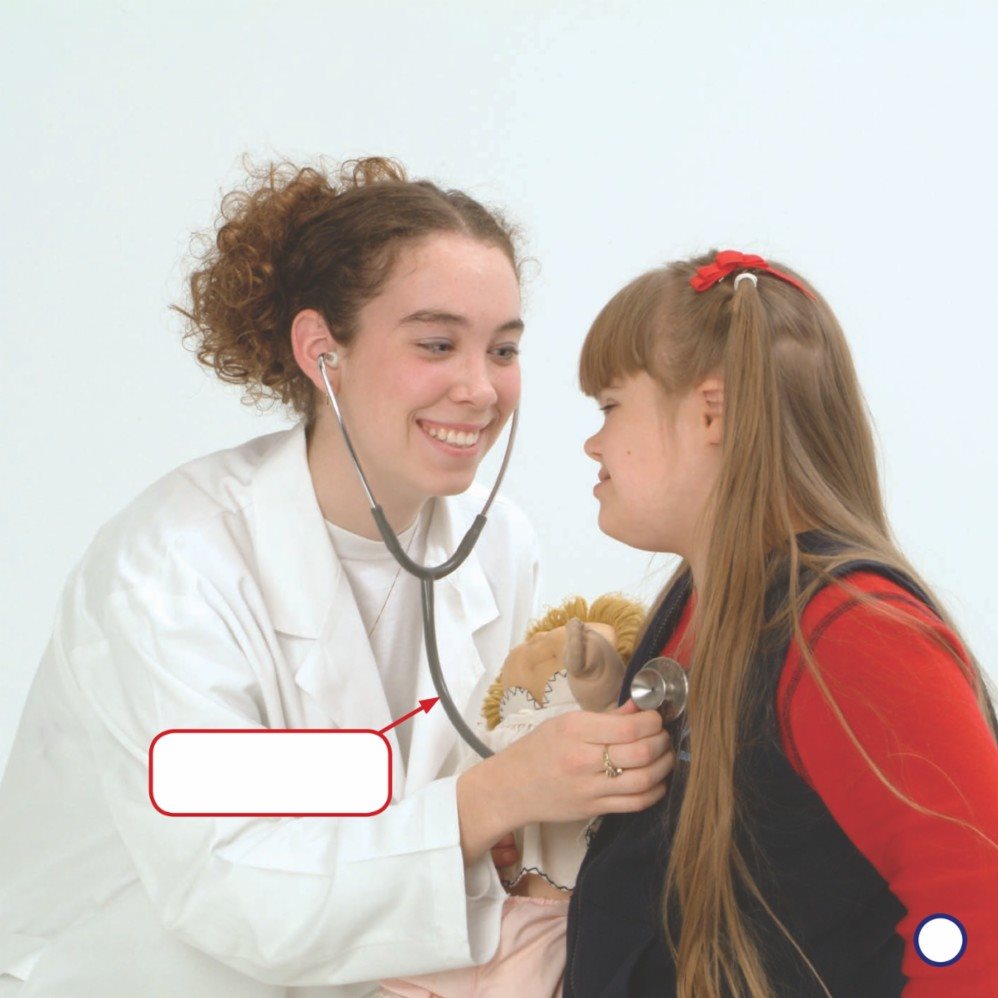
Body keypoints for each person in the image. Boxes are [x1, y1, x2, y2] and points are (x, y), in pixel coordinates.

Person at [0, 158, 672, 997]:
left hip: (364, 970)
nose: (480, 387)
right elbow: (230, 889)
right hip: (134, 964)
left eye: (502, 349)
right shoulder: (172, 569)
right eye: (437, 343)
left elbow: (440, 795)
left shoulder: (498, 542)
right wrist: (493, 799)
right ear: (323, 352)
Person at [563, 250, 998, 996]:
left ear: (711, 411)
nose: (593, 444)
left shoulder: (853, 635)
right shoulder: (698, 606)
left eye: (609, 406)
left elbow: (977, 909)